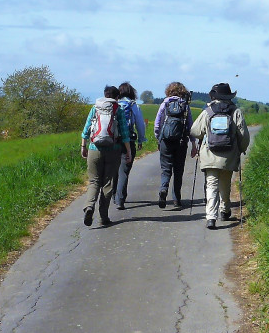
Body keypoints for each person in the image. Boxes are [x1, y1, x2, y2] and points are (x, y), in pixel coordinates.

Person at [190, 82, 250, 229]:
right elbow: (243, 135)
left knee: (211, 185)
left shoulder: (208, 111)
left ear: (214, 96)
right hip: (229, 154)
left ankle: (211, 217)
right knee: (225, 184)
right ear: (229, 96)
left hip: (210, 154)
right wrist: (241, 149)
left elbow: (195, 131)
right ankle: (225, 210)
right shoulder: (236, 112)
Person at [81, 85, 132, 227]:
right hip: (113, 149)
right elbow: (125, 133)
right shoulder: (118, 110)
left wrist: (83, 146)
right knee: (108, 183)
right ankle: (103, 217)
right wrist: (128, 151)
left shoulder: (95, 108)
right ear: (117, 98)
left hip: (94, 148)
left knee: (94, 181)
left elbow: (86, 130)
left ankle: (89, 206)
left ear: (104, 95)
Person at [153, 81, 197, 209]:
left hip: (166, 141)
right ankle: (177, 199)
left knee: (166, 169)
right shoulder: (185, 105)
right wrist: (193, 143)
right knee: (178, 171)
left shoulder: (164, 104)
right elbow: (190, 126)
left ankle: (163, 189)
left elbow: (157, 125)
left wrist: (159, 138)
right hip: (181, 142)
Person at [113, 81, 148, 210]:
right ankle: (120, 199)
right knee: (124, 170)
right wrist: (141, 140)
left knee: (114, 169)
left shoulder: (114, 105)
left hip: (113, 141)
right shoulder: (133, 106)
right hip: (128, 140)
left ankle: (113, 196)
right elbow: (140, 124)